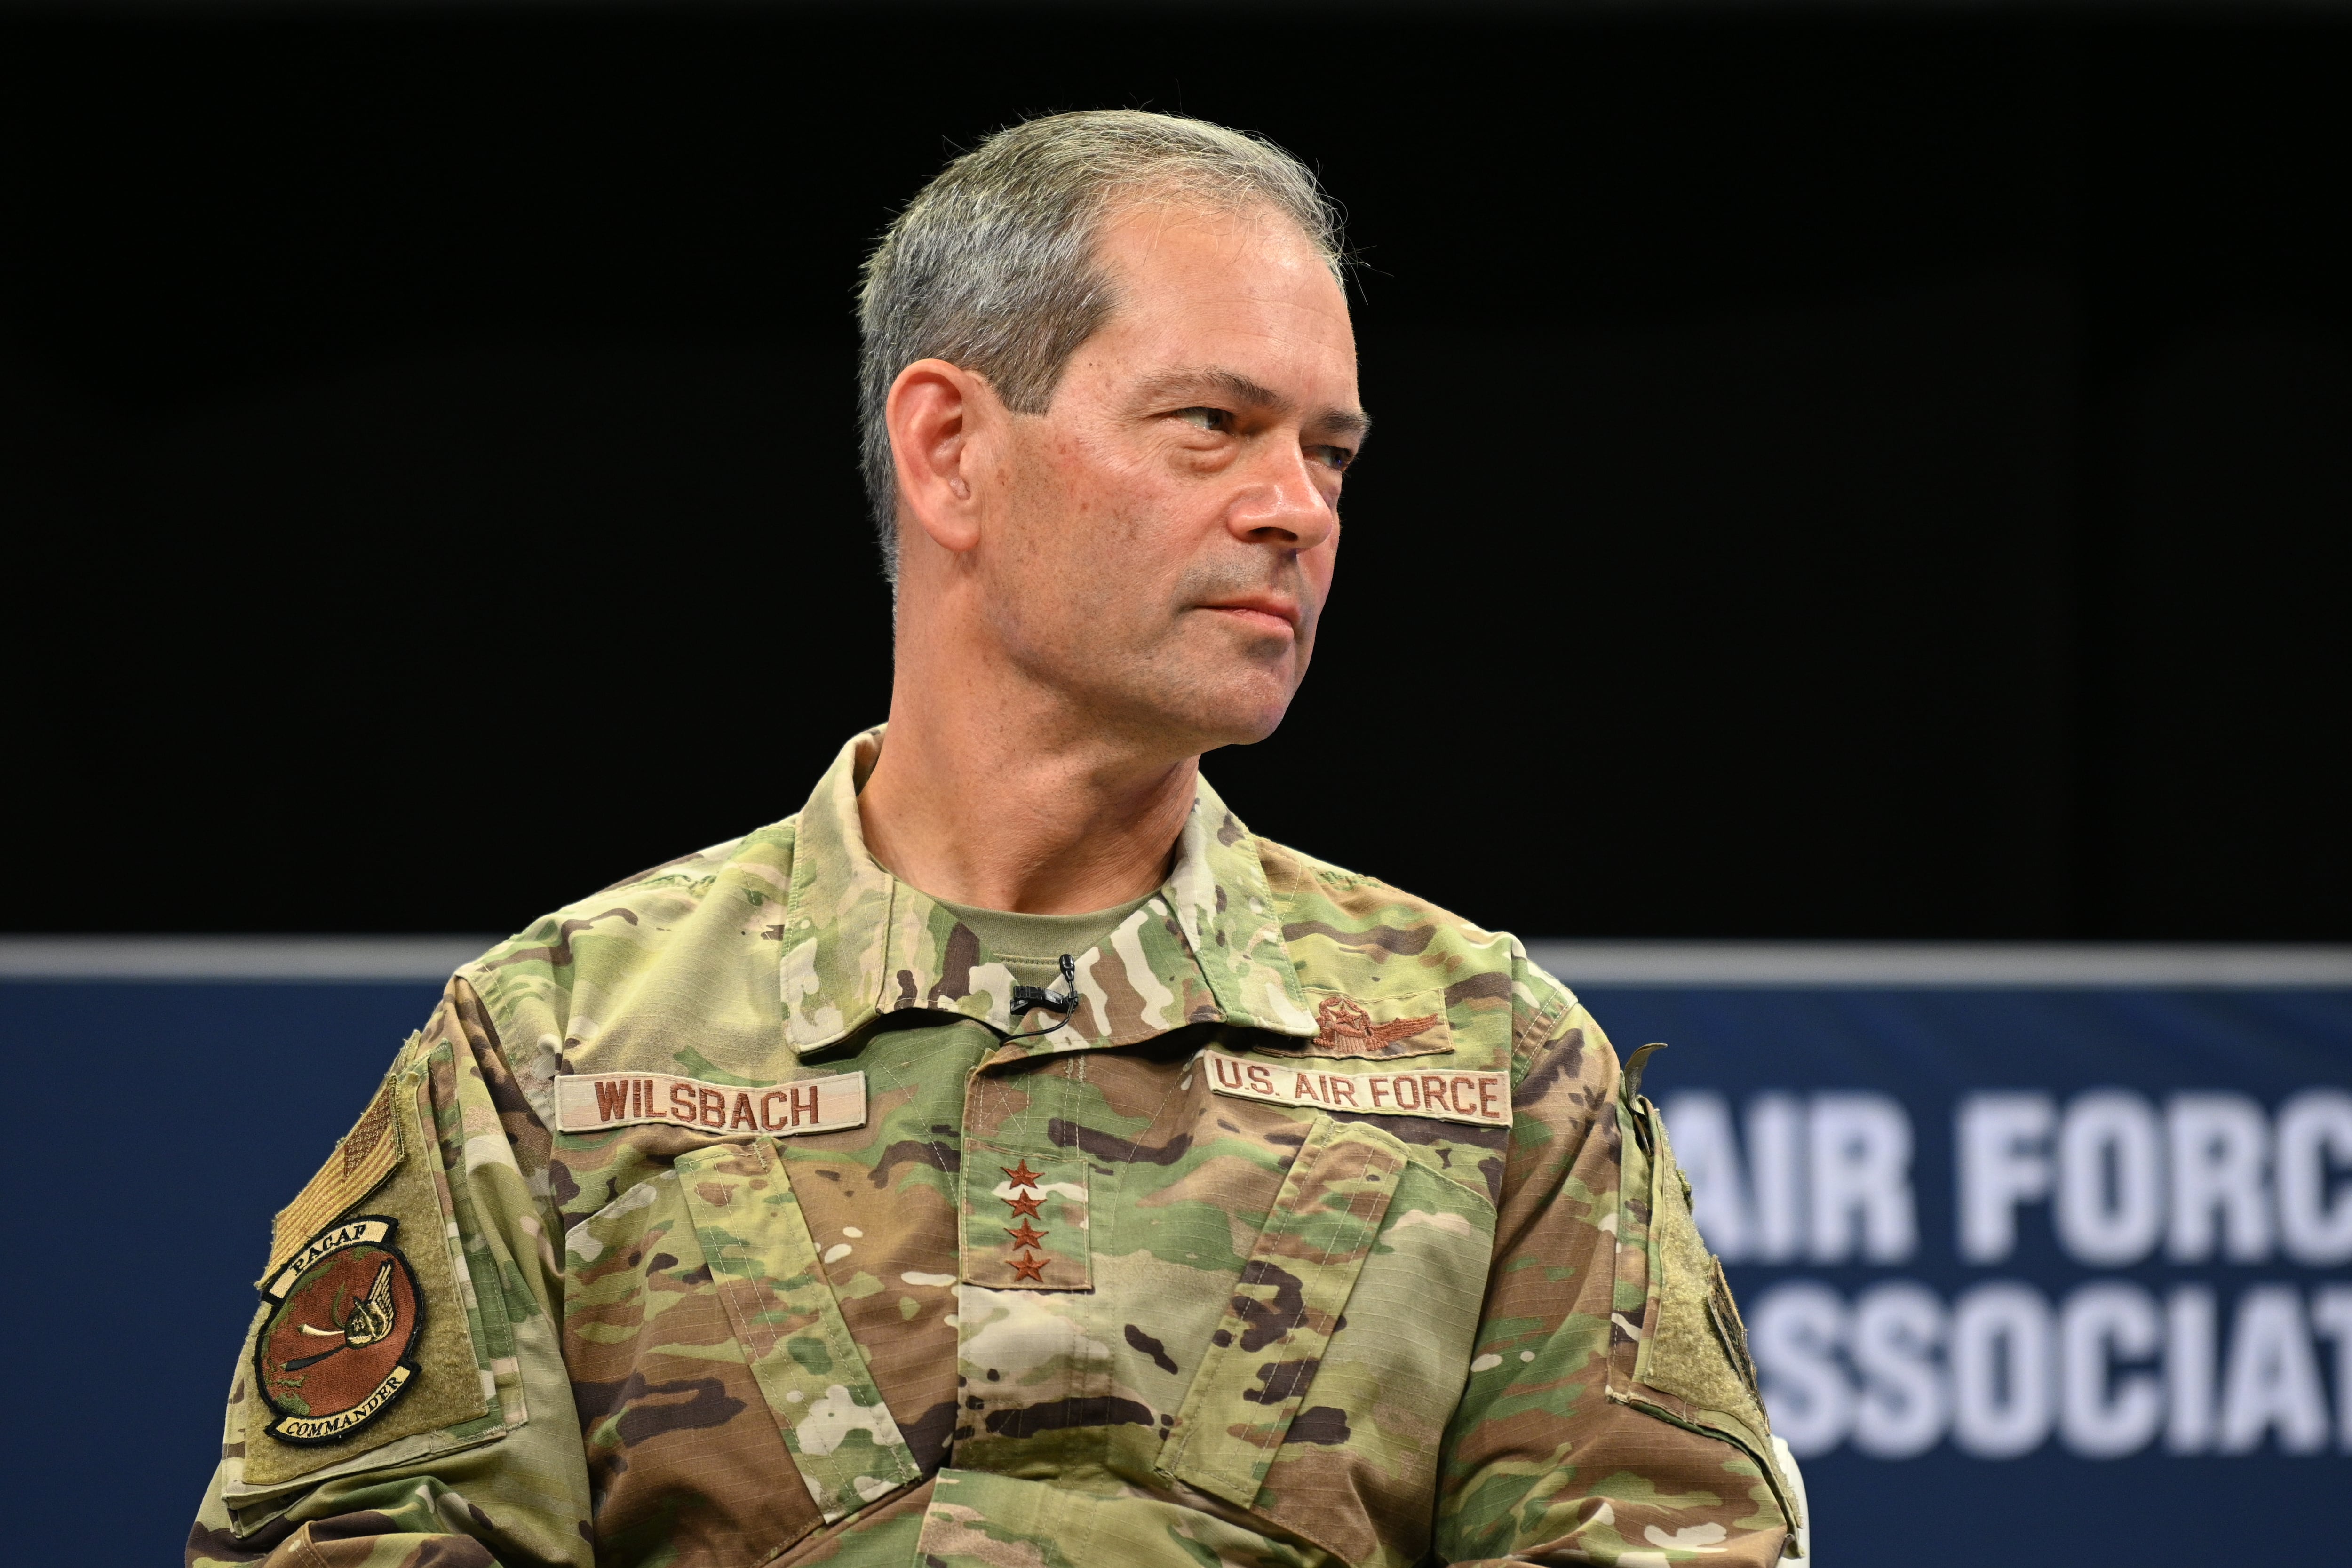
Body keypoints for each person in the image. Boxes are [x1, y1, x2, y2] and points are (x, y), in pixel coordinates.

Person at [189, 110, 1806, 1568]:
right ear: (952, 448)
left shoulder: (1491, 1059)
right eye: (1212, 425)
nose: (1297, 510)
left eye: (1328, 451)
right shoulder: (550, 1047)